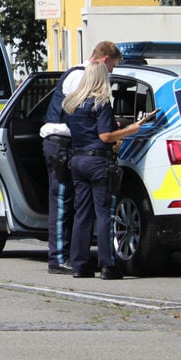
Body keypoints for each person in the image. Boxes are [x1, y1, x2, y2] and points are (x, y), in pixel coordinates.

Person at [40, 41, 122, 275]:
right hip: (62, 144)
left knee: (78, 208)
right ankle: (58, 259)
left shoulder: (80, 77)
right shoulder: (80, 77)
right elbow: (86, 117)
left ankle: (76, 262)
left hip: (72, 149)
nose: (111, 74)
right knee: (63, 202)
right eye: (112, 68)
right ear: (104, 61)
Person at [62, 62, 143, 280]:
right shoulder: (102, 103)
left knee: (82, 214)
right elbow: (105, 137)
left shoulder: (72, 103)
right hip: (98, 162)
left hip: (77, 160)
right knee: (104, 213)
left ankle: (79, 264)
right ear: (102, 79)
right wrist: (129, 129)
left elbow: (86, 130)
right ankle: (108, 265)